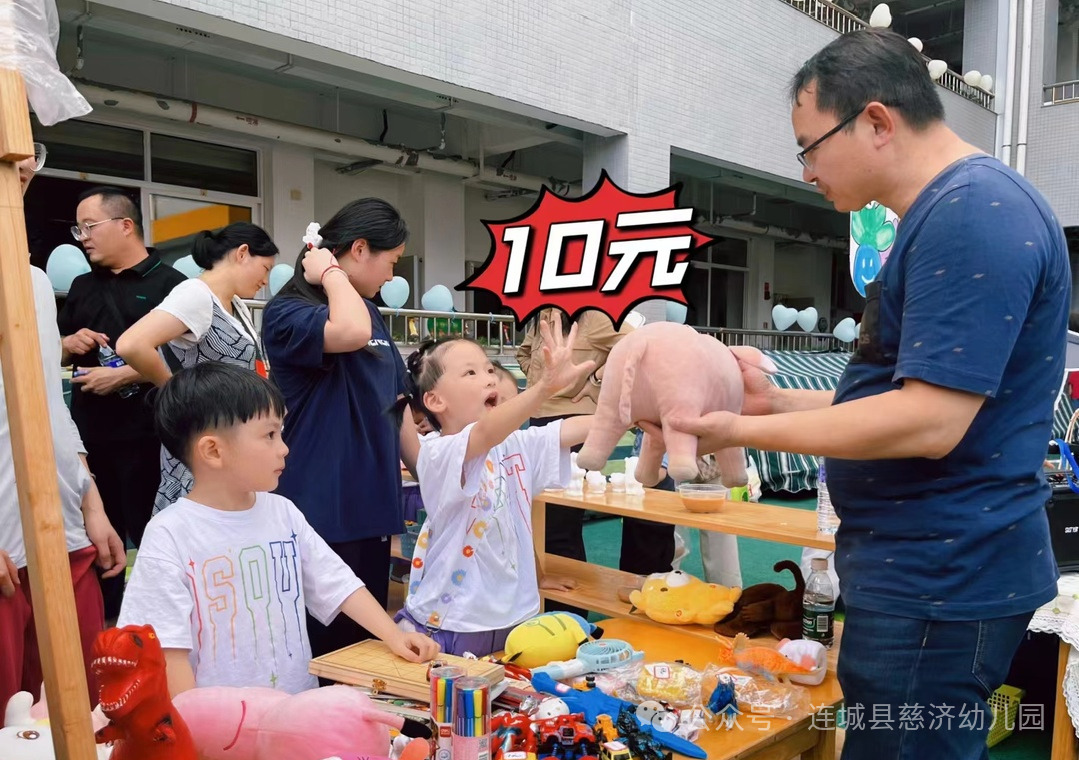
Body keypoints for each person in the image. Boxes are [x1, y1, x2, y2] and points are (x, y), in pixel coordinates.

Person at [656, 29, 1069, 759]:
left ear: (876, 121)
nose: (807, 171)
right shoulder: (954, 209)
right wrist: (772, 404)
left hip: (941, 574)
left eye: (810, 147)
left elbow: (927, 422)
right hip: (929, 568)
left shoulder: (971, 213)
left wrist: (740, 431)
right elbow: (909, 396)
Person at [117, 362, 439, 696]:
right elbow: (166, 647)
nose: (284, 447)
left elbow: (337, 582)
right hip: (220, 724)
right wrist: (192, 723)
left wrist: (394, 635)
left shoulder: (282, 513)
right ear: (213, 450)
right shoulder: (170, 535)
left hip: (295, 709)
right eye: (269, 435)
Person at [261, 198, 422, 659]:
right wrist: (330, 272)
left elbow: (396, 404)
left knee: (364, 651)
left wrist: (432, 476)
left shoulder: (366, 310)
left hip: (370, 508)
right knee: (323, 655)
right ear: (359, 249)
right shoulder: (288, 312)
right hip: (320, 510)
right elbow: (349, 332)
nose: (392, 276)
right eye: (391, 261)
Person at [1, 149, 126, 719]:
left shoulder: (31, 282)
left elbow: (52, 405)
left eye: (27, 164)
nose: (22, 170)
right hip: (6, 545)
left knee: (82, 710)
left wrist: (91, 501)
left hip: (63, 531)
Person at [394, 317, 589, 656]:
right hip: (453, 624)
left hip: (517, 619)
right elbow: (484, 433)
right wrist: (544, 388)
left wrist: (631, 409)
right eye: (470, 372)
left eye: (488, 369)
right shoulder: (438, 453)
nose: (488, 377)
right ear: (436, 401)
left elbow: (572, 429)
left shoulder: (515, 444)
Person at [58, 186, 186, 619]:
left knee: (154, 538)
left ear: (126, 225)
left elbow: (186, 359)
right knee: (96, 541)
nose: (83, 237)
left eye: (89, 226)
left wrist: (125, 374)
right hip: (89, 442)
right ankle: (102, 631)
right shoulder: (81, 286)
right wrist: (67, 343)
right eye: (79, 229)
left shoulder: (172, 285)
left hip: (150, 439)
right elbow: (53, 352)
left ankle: (160, 629)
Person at [116, 222, 277, 515]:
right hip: (202, 438)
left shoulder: (234, 303)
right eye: (265, 268)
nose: (265, 281)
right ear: (242, 253)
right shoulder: (196, 294)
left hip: (230, 436)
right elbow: (132, 344)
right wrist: (175, 390)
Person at [518, 309, 675, 593]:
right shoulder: (544, 314)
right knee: (545, 521)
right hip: (540, 422)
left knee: (560, 523)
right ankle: (557, 601)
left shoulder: (595, 316)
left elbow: (639, 348)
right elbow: (524, 353)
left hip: (577, 422)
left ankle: (569, 605)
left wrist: (594, 381)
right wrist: (542, 380)